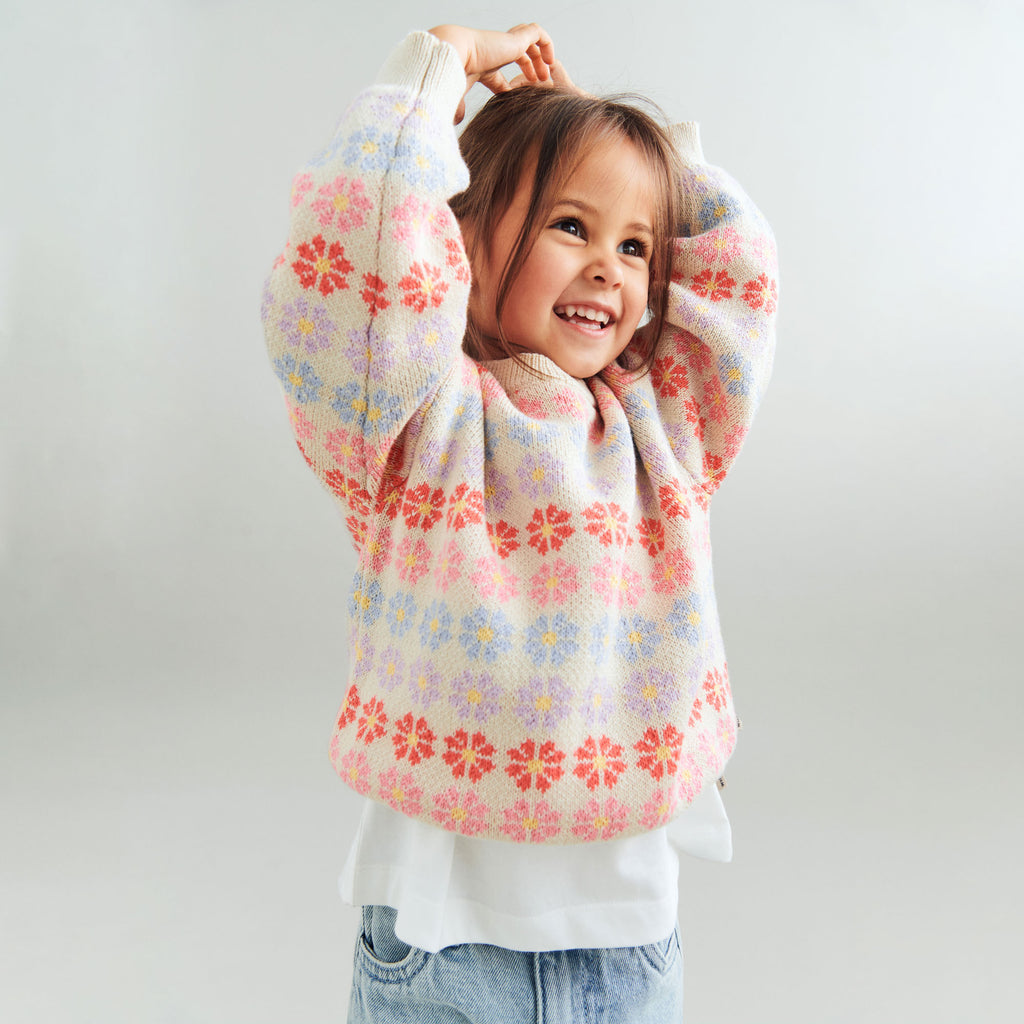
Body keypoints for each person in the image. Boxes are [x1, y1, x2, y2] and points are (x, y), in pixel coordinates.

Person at [262, 21, 777, 1024]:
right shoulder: (415, 420)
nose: (611, 268)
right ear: (460, 240)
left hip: (626, 947)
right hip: (445, 947)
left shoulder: (661, 431)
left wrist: (637, 161)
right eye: (571, 226)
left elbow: (740, 279)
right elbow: (355, 259)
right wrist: (432, 72)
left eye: (636, 245)